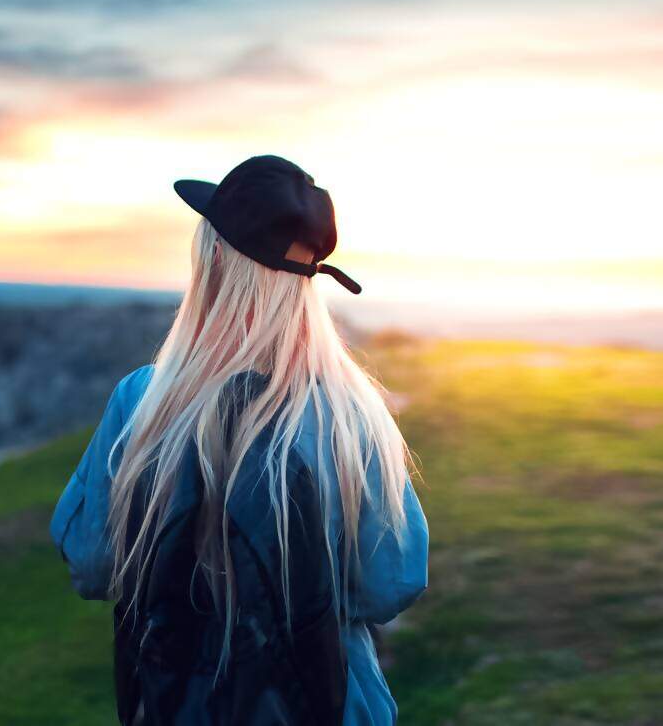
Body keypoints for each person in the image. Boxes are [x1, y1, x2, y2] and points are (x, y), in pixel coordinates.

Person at [52, 155, 429, 725]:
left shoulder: (144, 403)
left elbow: (92, 562)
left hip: (178, 705)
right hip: (324, 706)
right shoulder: (351, 413)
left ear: (215, 263)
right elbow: (390, 583)